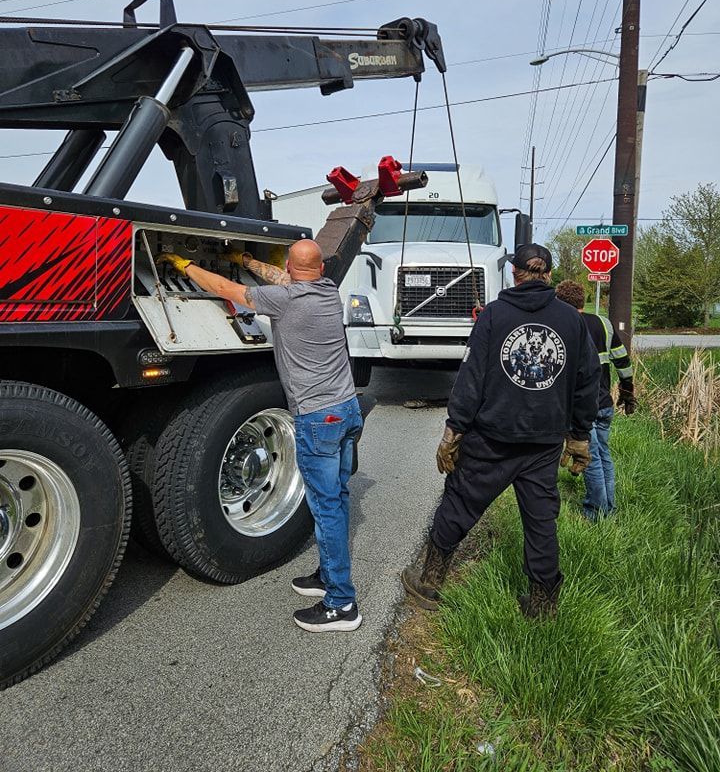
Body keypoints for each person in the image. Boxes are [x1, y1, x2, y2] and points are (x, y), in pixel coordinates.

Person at [157, 240, 363, 633]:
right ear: (319, 268)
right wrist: (247, 260)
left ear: (291, 265)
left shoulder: (284, 300)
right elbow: (283, 277)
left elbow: (225, 290)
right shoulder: (327, 291)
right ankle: (327, 576)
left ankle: (341, 604)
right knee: (337, 498)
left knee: (326, 507)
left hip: (320, 418)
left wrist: (184, 265)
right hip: (348, 409)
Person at [401, 244, 600, 619]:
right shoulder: (572, 320)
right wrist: (579, 435)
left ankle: (430, 582)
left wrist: (453, 430)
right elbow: (588, 381)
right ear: (550, 275)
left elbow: (471, 377)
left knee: (459, 504)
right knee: (541, 521)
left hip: (490, 439)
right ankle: (543, 605)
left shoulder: (494, 315)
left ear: (515, 274)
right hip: (543, 443)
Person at [555, 280, 635, 520]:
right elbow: (622, 360)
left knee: (591, 458)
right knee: (604, 455)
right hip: (605, 403)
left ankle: (597, 512)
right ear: (582, 301)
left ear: (561, 303)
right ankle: (610, 506)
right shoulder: (604, 323)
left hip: (583, 406)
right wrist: (627, 391)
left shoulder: (566, 325)